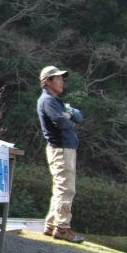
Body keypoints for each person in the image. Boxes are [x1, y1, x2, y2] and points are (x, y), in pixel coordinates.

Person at [37, 65, 85, 243]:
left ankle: (51, 226)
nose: (61, 81)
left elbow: (79, 117)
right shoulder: (48, 101)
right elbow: (61, 123)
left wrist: (68, 114)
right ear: (47, 81)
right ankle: (63, 228)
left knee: (60, 188)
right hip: (60, 149)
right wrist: (67, 116)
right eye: (58, 78)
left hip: (64, 149)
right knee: (66, 189)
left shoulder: (57, 102)